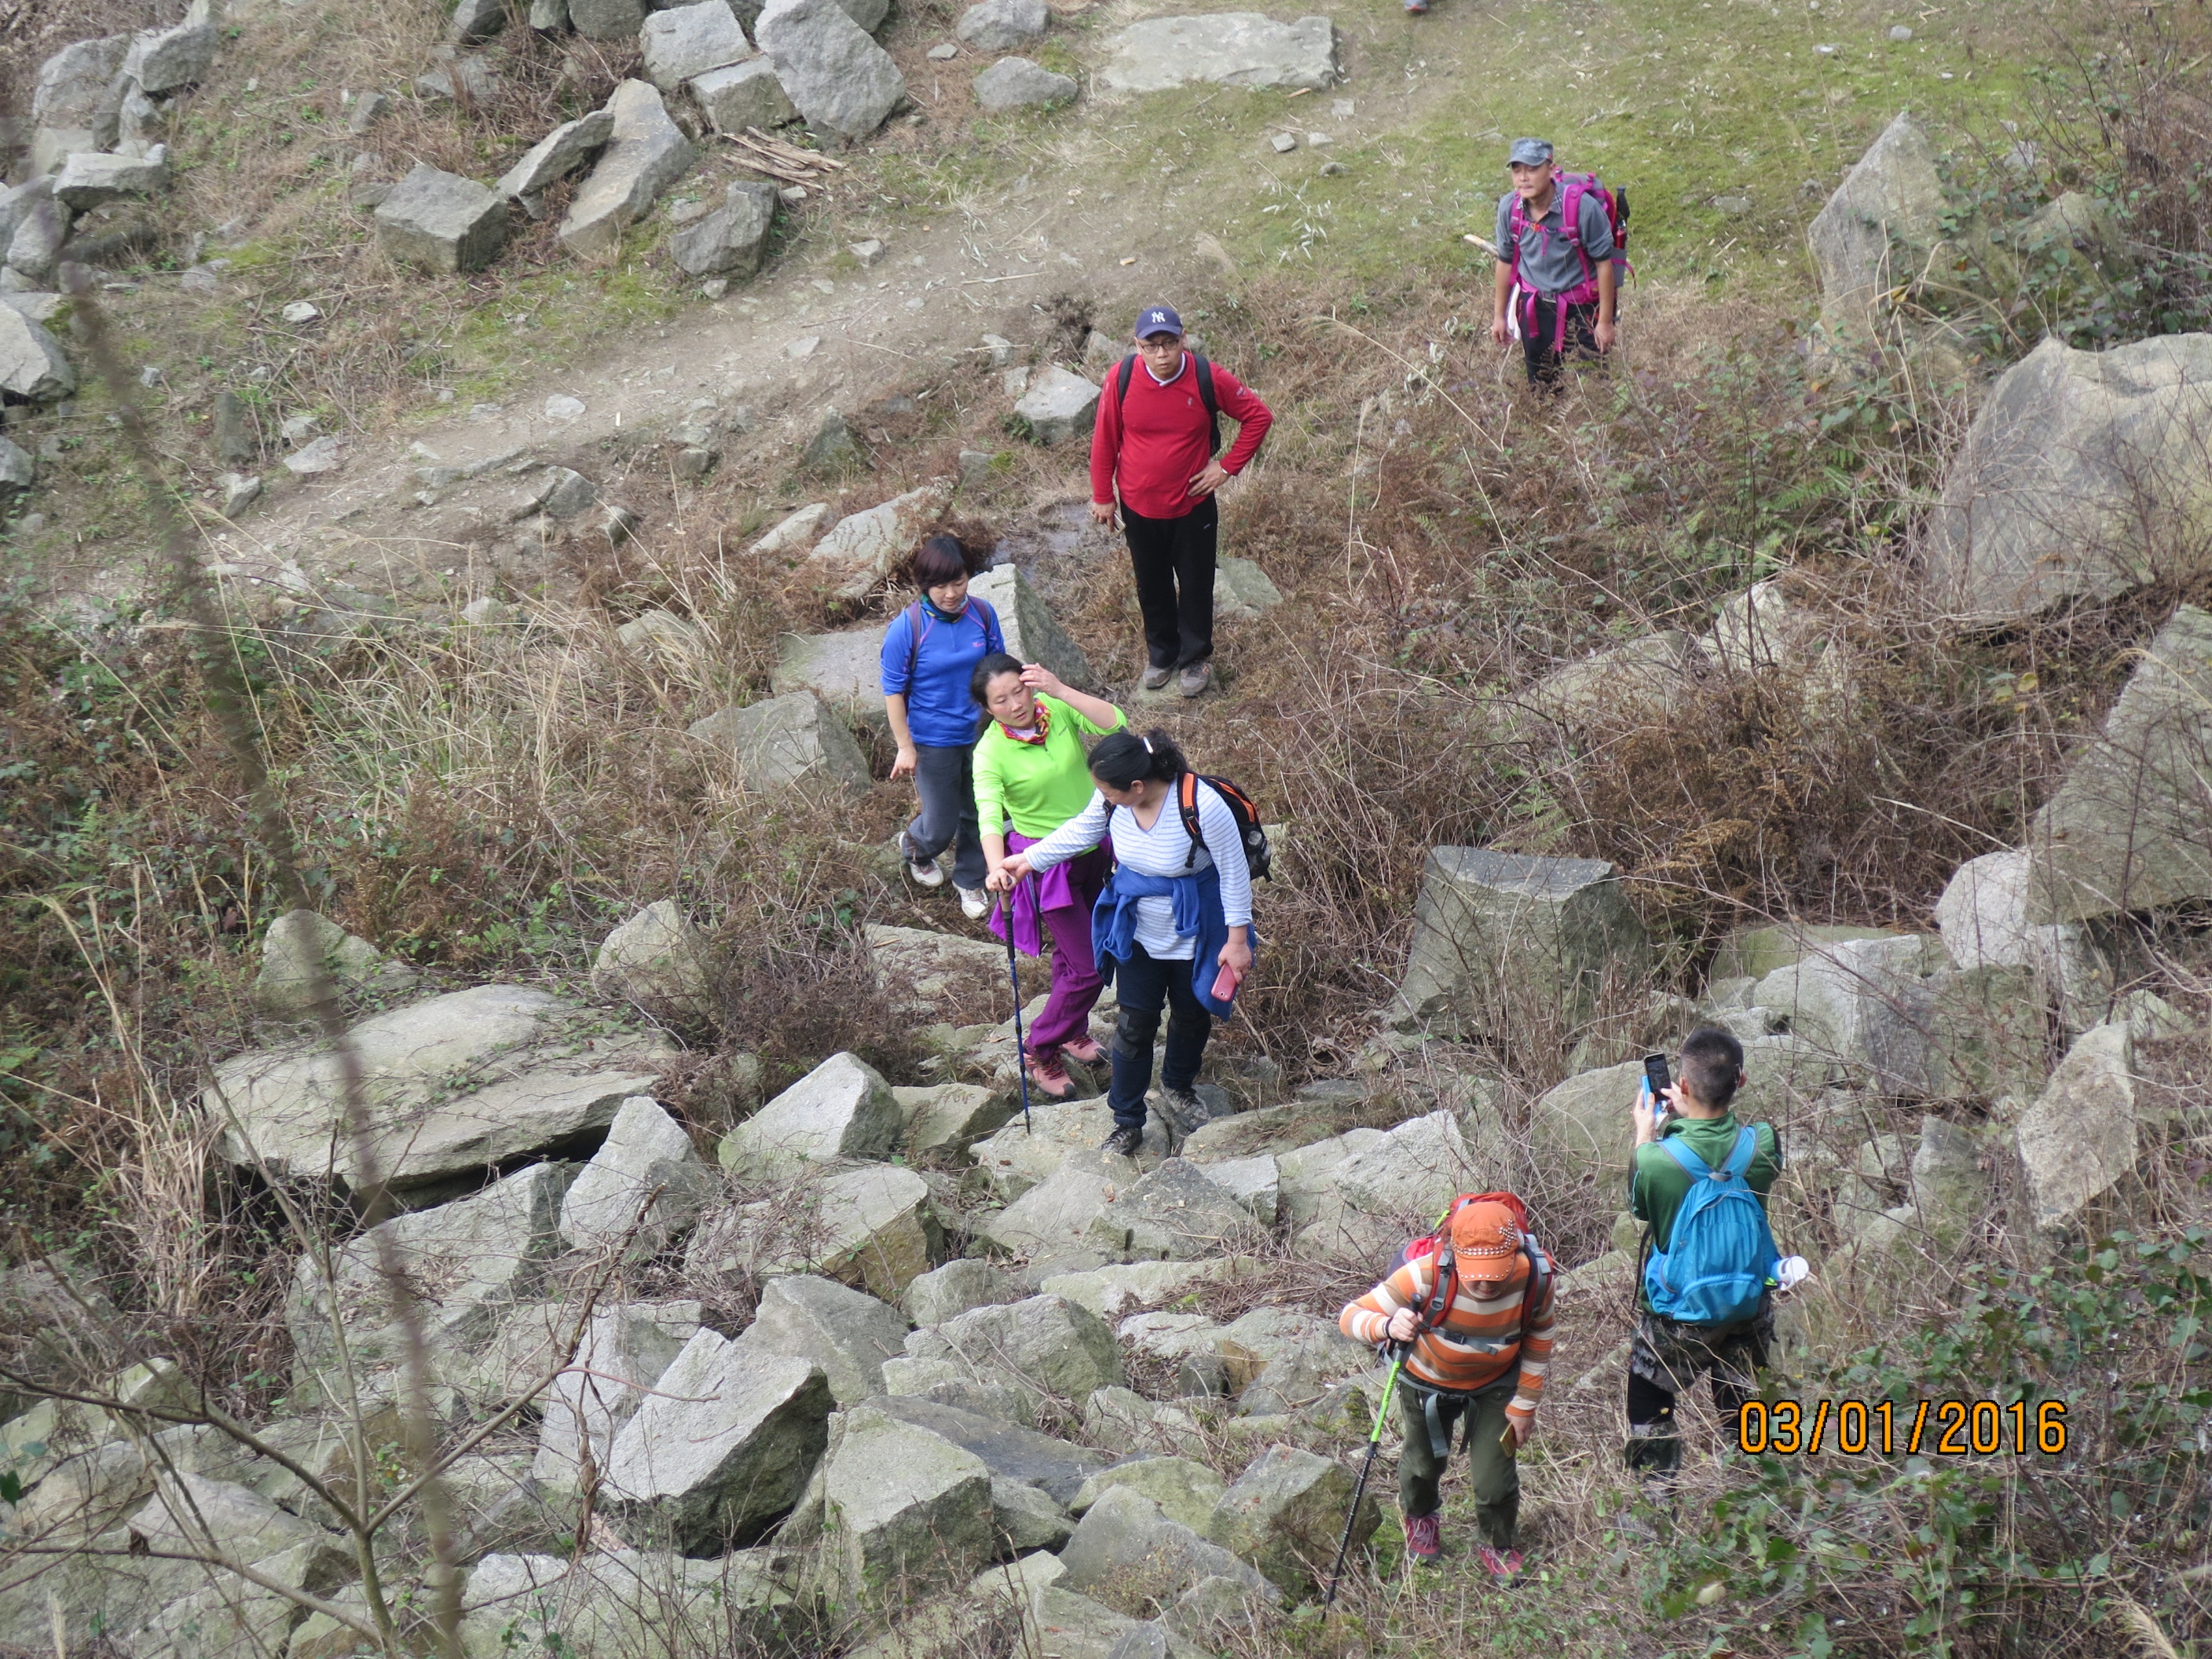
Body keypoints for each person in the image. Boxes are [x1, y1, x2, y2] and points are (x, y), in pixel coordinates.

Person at [990, 730, 1251, 1153]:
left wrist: (1237, 942)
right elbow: (1082, 831)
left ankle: (1178, 1085)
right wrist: (1027, 860)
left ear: (1138, 786)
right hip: (1138, 932)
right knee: (1134, 1025)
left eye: (1108, 791)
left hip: (1198, 929)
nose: (1103, 798)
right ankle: (1127, 1119)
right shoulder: (1113, 801)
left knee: (1191, 1015)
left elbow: (1234, 873)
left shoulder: (1201, 805)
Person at [1339, 1199, 1557, 1582]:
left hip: (1495, 1385)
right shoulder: (1424, 1274)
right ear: (1456, 1255)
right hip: (1425, 1381)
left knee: (1495, 1478)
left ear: (1514, 1256)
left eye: (1496, 1274)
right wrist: (1387, 1327)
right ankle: (1420, 1517)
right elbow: (1350, 1316)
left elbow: (1540, 1338)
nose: (1486, 1284)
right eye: (1476, 1275)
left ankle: (1497, 1542)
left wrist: (1525, 1404)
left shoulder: (1535, 1279)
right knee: (1423, 1465)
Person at [1088, 305, 1274, 700]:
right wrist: (1103, 496)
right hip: (1138, 507)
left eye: (1169, 343)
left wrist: (1227, 467)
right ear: (1137, 345)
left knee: (1196, 583)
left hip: (1193, 507)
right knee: (1151, 584)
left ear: (1183, 340)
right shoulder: (1121, 378)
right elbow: (1105, 438)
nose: (1162, 354)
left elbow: (1258, 417)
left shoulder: (1208, 376)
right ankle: (1162, 655)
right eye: (1151, 346)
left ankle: (1195, 658)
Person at [1625, 1026, 1783, 1491]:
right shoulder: (1764, 1144)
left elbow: (1640, 1207)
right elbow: (1734, 1142)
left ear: (1683, 1085)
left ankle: (1657, 1501)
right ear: (1742, 1081)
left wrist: (1647, 1132)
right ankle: (1757, 1496)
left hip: (1681, 1314)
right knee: (1744, 1400)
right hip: (1749, 1302)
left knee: (1647, 1392)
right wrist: (1696, 1112)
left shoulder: (1655, 1159)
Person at [971, 654, 1127, 1100]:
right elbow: (988, 814)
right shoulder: (989, 753)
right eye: (1001, 700)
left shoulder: (1055, 709)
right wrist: (996, 866)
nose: (1016, 704)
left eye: (1019, 691)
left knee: (1071, 956)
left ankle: (1071, 1030)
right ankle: (1040, 1046)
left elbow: (1115, 724)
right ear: (987, 708)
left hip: (1095, 849)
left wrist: (1059, 689)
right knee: (1090, 966)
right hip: (1046, 866)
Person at [881, 533, 1004, 921]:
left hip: (982, 734)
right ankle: (915, 847)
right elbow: (893, 692)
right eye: (940, 586)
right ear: (924, 585)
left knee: (980, 812)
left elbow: (997, 672)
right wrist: (905, 746)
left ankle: (970, 879)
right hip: (933, 740)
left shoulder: (982, 614)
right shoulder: (908, 628)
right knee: (940, 822)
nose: (950, 594)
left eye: (959, 582)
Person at [1490, 138, 1618, 386]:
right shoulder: (1509, 208)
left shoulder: (1583, 208)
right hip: (1535, 306)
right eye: (1517, 170)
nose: (1523, 178)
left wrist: (1605, 322)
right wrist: (1499, 316)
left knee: (1594, 382)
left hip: (1582, 306)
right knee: (1542, 382)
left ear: (1551, 170)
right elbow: (1505, 261)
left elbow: (1604, 265)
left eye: (1532, 169)